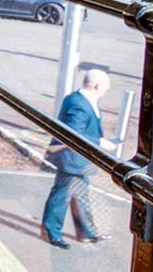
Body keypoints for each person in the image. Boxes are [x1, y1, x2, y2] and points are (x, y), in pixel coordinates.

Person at [44, 67, 114, 249]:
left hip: (77, 160)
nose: (108, 89)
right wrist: (99, 142)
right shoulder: (80, 104)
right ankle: (51, 233)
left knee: (80, 194)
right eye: (107, 85)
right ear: (97, 86)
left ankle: (86, 233)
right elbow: (74, 134)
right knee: (61, 195)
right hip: (71, 159)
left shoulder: (79, 99)